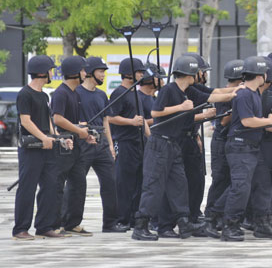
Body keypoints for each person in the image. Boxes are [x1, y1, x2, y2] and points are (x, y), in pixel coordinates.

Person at [132, 55, 235, 241]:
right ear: (189, 74)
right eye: (196, 73)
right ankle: (141, 225)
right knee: (154, 186)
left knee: (179, 185)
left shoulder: (189, 91)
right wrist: (180, 107)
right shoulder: (169, 90)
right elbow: (156, 113)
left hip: (174, 144)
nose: (198, 75)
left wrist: (235, 92)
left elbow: (211, 95)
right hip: (160, 143)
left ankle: (183, 221)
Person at [217, 56, 272, 242]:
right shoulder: (244, 94)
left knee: (263, 184)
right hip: (240, 147)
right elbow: (247, 122)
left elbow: (252, 122)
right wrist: (270, 120)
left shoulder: (254, 93)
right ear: (261, 74)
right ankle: (229, 226)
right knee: (240, 188)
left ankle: (262, 224)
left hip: (252, 147)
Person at [12, 56, 73, 240]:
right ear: (41, 72)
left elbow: (49, 121)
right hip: (31, 148)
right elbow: (26, 121)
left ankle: (44, 226)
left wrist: (59, 138)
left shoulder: (44, 95)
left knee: (50, 186)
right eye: (50, 70)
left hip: (47, 146)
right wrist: (43, 137)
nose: (51, 73)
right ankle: (20, 229)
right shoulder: (25, 94)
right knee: (27, 187)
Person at [73, 57, 127, 233]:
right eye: (100, 71)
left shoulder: (102, 95)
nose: (103, 75)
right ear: (89, 72)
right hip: (83, 142)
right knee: (77, 184)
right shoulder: (76, 93)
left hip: (102, 143)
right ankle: (70, 222)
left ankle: (110, 223)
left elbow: (106, 121)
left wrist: (110, 145)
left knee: (111, 182)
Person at [52, 55, 97, 236]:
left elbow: (73, 121)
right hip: (64, 146)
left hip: (77, 146)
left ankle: (73, 223)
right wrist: (78, 132)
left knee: (79, 184)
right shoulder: (61, 93)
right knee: (58, 186)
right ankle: (57, 224)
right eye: (83, 70)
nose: (86, 74)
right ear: (74, 73)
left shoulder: (75, 93)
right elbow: (57, 118)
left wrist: (85, 134)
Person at [203, 59, 244, 238]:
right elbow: (222, 121)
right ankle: (210, 216)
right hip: (220, 140)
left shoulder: (239, 92)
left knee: (229, 180)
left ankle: (221, 215)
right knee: (219, 180)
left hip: (231, 141)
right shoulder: (225, 95)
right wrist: (241, 108)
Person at [108, 58, 149, 229]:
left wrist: (150, 137)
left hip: (138, 143)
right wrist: (131, 122)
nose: (142, 75)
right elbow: (110, 117)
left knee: (138, 182)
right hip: (124, 143)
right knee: (124, 183)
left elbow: (142, 118)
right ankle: (121, 219)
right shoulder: (119, 93)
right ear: (128, 74)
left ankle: (134, 217)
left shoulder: (135, 92)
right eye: (139, 72)